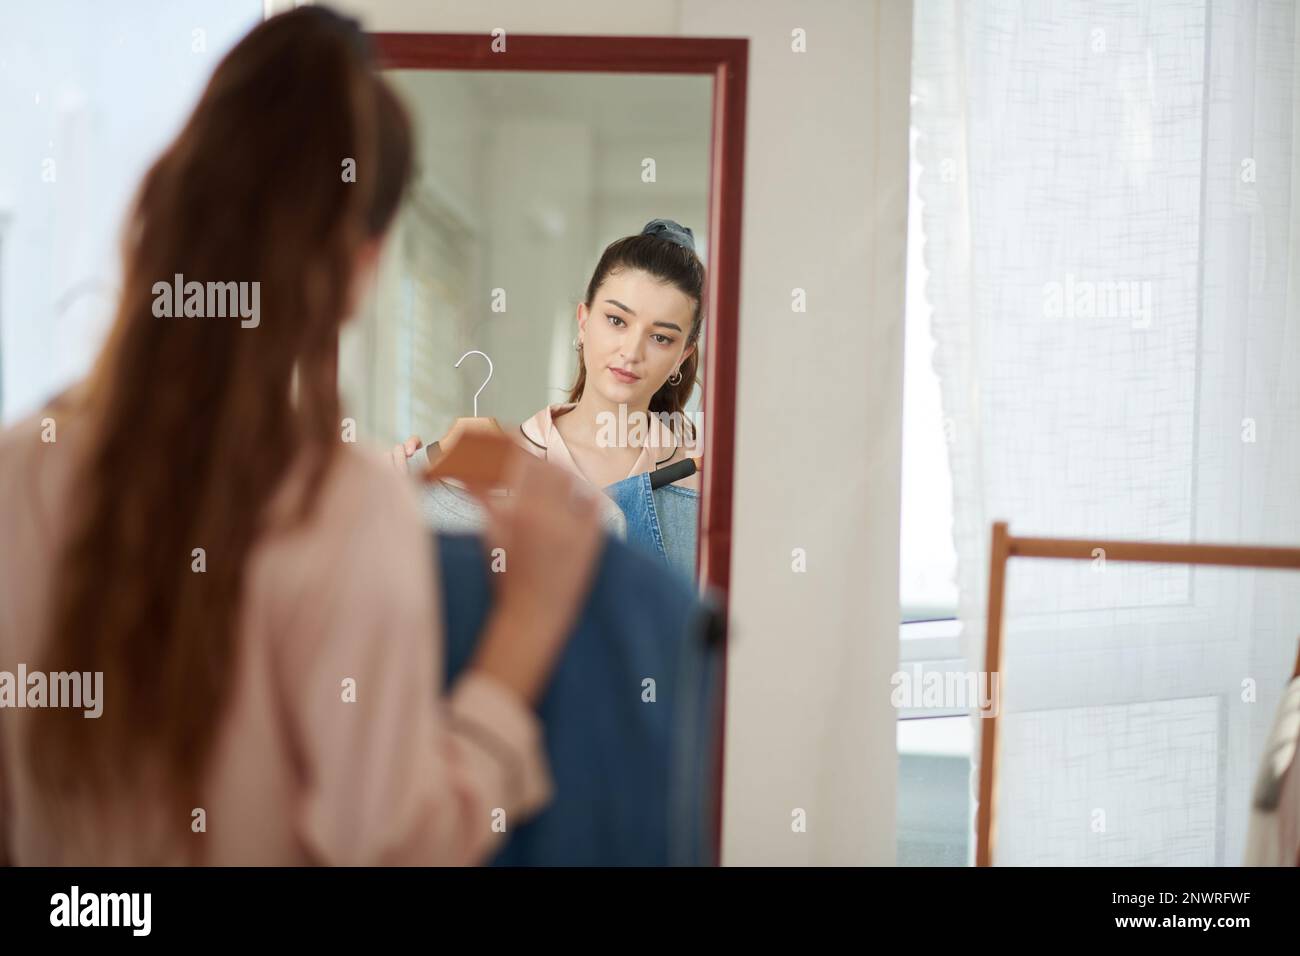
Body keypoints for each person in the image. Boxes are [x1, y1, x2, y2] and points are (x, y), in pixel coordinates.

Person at [0, 6, 603, 866]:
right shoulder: (344, 506)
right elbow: (397, 849)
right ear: (363, 263)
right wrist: (528, 628)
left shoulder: (19, 469)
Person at [517, 220, 706, 490]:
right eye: (617, 321)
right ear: (583, 321)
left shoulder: (697, 484)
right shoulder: (507, 461)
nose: (631, 352)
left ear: (682, 356)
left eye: (660, 337)